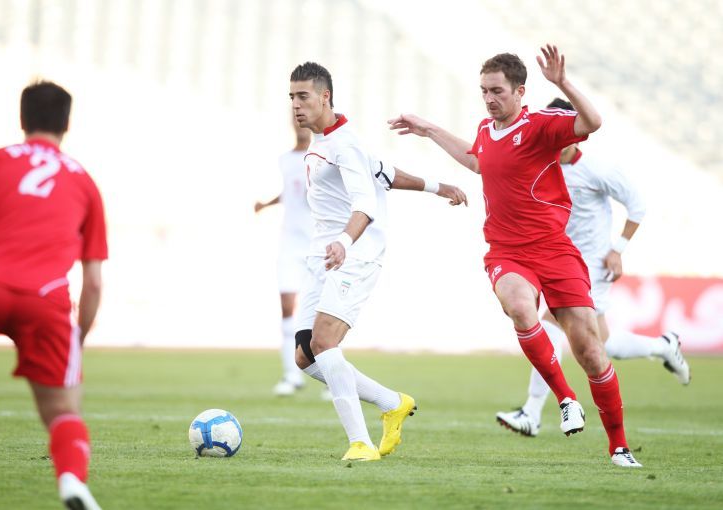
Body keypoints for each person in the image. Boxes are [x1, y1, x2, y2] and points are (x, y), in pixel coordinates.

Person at [389, 45, 642, 467]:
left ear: (520, 91)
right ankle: (566, 399)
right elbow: (477, 160)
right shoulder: (486, 131)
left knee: (591, 351)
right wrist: (429, 129)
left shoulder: (541, 126)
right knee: (521, 308)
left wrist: (562, 82)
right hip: (507, 251)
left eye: (497, 91)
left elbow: (593, 122)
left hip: (555, 250)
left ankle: (619, 446)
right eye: (484, 91)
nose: (489, 99)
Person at [289, 62, 467, 461]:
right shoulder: (326, 142)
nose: (296, 105)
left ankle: (360, 443)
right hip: (323, 257)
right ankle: (392, 403)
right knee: (305, 355)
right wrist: (438, 186)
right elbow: (384, 174)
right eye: (292, 97)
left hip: (353, 254)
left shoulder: (345, 144)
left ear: (324, 97)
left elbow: (366, 203)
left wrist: (344, 242)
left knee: (324, 342)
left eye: (303, 97)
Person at [495, 98, 690, 437]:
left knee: (550, 322)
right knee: (602, 343)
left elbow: (637, 205)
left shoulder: (596, 169)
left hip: (591, 265)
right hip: (557, 259)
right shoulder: (540, 165)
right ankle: (663, 346)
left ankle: (532, 413)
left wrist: (618, 250)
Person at [0, 81, 108, 508]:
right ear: (66, 123)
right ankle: (72, 481)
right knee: (63, 411)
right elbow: (94, 282)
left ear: (22, 118)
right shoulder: (84, 182)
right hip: (45, 299)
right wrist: (78, 337)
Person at [254, 118, 314, 396]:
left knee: (322, 313)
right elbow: (291, 192)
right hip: (290, 243)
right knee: (287, 306)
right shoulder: (286, 160)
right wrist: (267, 204)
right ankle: (292, 375)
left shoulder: (322, 156)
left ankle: (330, 375)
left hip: (317, 243)